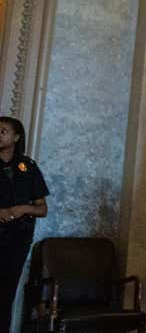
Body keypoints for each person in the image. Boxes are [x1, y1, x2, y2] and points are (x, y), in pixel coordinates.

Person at [0, 116, 49, 332]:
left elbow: (42, 209)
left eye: (3, 131)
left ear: (16, 137)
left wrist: (20, 209)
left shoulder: (27, 167)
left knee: (4, 296)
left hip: (16, 241)